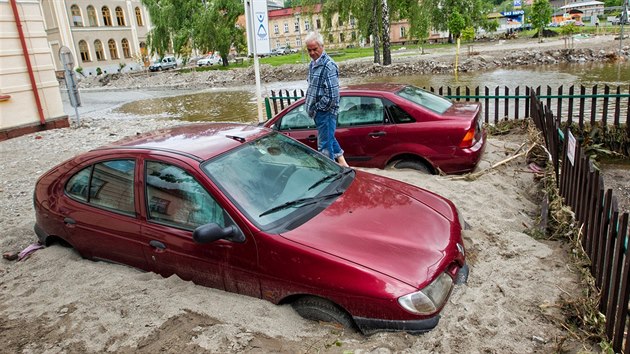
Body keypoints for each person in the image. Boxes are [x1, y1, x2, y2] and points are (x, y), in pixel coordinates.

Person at [304, 32, 349, 167]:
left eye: (314, 49)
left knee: (324, 146)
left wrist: (318, 109)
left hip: (325, 112)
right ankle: (344, 165)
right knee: (329, 138)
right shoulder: (313, 64)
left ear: (322, 47)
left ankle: (330, 171)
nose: (312, 53)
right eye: (309, 50)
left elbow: (332, 95)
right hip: (317, 112)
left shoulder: (329, 65)